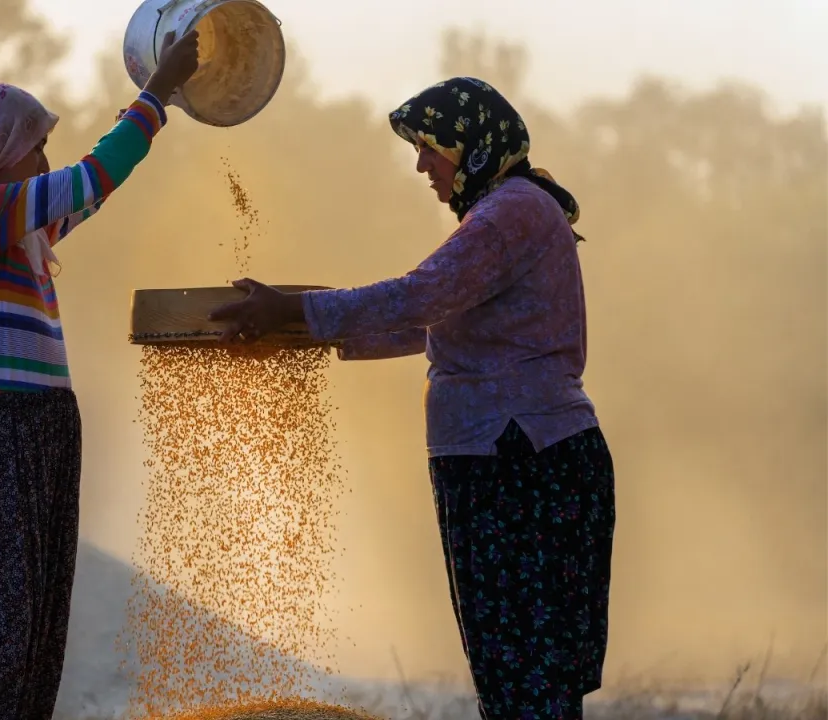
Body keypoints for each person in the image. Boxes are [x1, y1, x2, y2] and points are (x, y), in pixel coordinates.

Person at [208, 76, 616, 720]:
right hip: (505, 458)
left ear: (473, 144)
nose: (421, 164)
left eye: (430, 146)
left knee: (528, 679)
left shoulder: (512, 211)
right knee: (516, 678)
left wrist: (296, 309)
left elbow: (420, 296)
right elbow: (428, 322)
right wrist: (295, 332)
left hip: (522, 460)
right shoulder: (508, 211)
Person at [0, 30, 200, 720]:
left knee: (31, 636)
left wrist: (162, 103)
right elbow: (89, 178)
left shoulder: (15, 224)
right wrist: (154, 97)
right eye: (32, 146)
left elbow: (89, 192)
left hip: (38, 435)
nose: (43, 161)